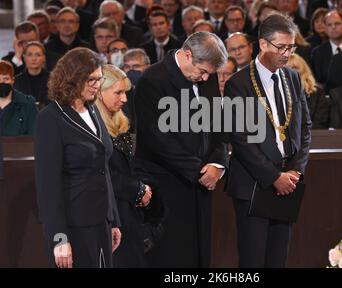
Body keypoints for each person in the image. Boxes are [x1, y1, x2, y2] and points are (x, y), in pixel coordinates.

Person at [224, 14, 312, 268]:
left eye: (291, 47)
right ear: (263, 44)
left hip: (289, 181)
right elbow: (240, 139)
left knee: (278, 259)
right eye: (281, 47)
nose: (287, 53)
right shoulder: (237, 84)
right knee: (253, 260)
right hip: (255, 184)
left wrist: (296, 169)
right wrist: (274, 177)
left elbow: (304, 128)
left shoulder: (293, 78)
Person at [134, 32, 229, 267]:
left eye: (210, 73)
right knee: (172, 256)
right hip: (167, 184)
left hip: (202, 183)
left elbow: (218, 124)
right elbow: (157, 139)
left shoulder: (206, 76)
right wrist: (199, 171)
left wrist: (218, 164)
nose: (207, 78)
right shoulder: (152, 80)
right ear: (188, 55)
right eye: (203, 71)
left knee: (200, 255)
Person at [34, 47, 121, 268]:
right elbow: (47, 186)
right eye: (90, 79)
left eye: (99, 79)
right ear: (72, 78)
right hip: (72, 228)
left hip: (101, 222)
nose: (96, 85)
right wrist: (58, 238)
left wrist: (113, 220)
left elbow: (104, 169)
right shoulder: (50, 118)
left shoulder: (94, 110)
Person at [95, 64, 160, 267]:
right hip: (109, 217)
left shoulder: (124, 123)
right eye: (118, 92)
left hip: (134, 215)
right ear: (99, 92)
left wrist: (145, 188)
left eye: (125, 92)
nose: (124, 99)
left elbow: (137, 164)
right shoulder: (91, 127)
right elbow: (100, 173)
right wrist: (137, 189)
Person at [287, 53, 329, 129]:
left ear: (303, 70)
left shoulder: (317, 92)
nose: (291, 71)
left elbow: (321, 121)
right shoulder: (274, 91)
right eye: (287, 68)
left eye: (295, 67)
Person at [0, 60, 38, 136]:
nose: (1, 82)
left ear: (12, 80)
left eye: (6, 79)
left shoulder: (28, 105)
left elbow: (35, 137)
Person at [14, 41, 49, 109]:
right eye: (30, 55)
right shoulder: (16, 81)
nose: (34, 59)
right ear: (24, 57)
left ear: (44, 58)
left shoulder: (53, 80)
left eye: (38, 55)